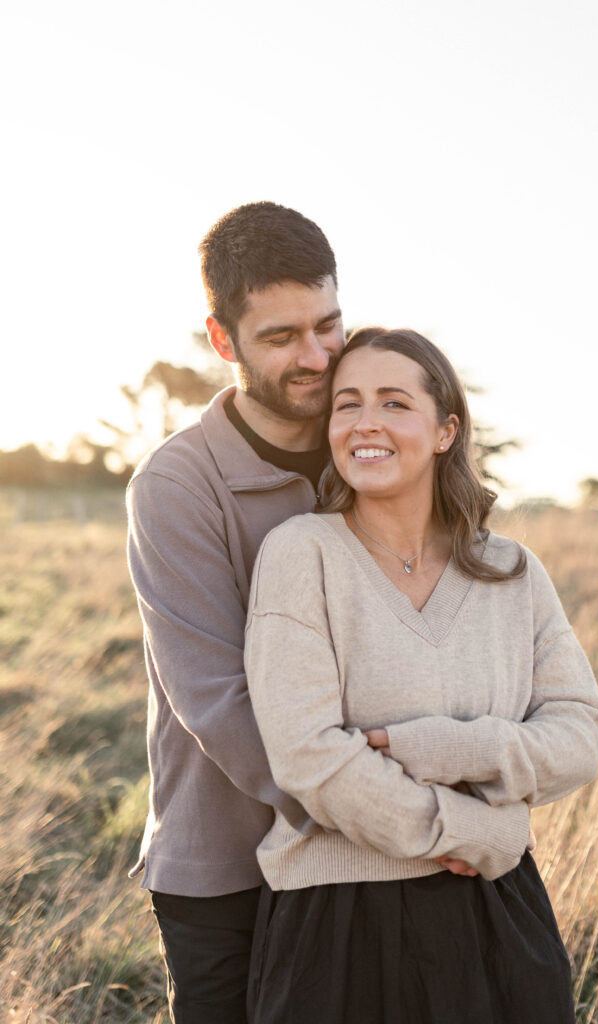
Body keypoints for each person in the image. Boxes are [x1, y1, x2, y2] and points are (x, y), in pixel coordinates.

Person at [244, 327, 598, 1024]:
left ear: (445, 430)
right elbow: (307, 755)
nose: (365, 424)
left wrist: (457, 748)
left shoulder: (511, 569)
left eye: (392, 403)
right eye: (346, 405)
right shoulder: (301, 554)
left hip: (497, 915)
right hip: (337, 925)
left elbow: (579, 733)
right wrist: (468, 830)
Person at [126, 201, 345, 1023]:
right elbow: (215, 700)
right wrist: (367, 811)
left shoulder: (371, 442)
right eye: (282, 337)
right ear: (223, 342)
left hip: (357, 859)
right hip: (223, 866)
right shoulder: (176, 486)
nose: (316, 356)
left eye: (327, 324)